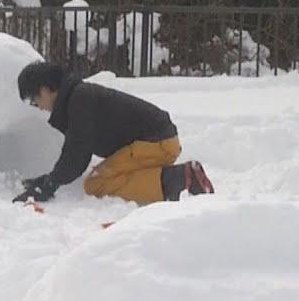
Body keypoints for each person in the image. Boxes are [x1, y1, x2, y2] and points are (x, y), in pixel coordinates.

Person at [12, 61, 214, 205]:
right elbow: (74, 148)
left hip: (158, 142)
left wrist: (50, 185)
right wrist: (50, 178)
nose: (37, 106)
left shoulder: (79, 99)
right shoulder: (76, 97)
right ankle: (179, 176)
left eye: (34, 100)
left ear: (45, 89)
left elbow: (78, 153)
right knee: (106, 176)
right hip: (154, 142)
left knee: (96, 183)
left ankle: (180, 178)